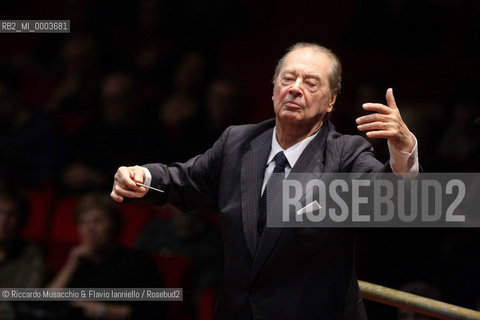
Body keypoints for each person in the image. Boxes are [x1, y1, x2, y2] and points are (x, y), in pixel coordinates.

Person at [111, 42, 419, 320]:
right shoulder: (237, 141)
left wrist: (404, 151)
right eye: (287, 79)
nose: (295, 89)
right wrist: (142, 176)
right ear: (273, 90)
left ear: (331, 101)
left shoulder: (346, 153)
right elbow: (184, 180)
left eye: (311, 83)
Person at [49, 192, 163, 319]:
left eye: (97, 221)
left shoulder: (137, 262)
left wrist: (101, 310)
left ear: (114, 224)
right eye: (83, 223)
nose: (89, 229)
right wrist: (70, 266)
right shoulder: (79, 262)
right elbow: (46, 303)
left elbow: (153, 311)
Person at [0, 184, 47, 319]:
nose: (3, 221)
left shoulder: (32, 255)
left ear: (21, 219)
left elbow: (27, 299)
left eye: (11, 214)